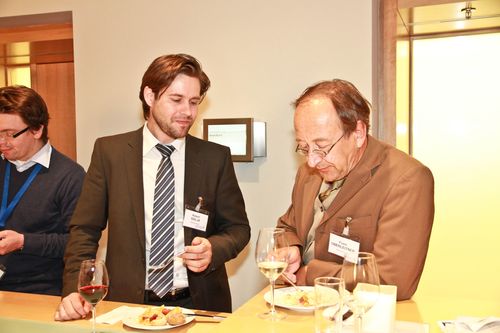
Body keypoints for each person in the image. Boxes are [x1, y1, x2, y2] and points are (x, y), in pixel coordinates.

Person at [55, 53, 250, 321]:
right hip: (127, 306)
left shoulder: (215, 158)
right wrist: (72, 290)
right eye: (176, 100)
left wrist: (213, 249)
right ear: (149, 96)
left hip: (199, 304)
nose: (188, 112)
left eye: (194, 102)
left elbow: (238, 229)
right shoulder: (110, 152)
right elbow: (84, 230)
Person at [278, 79, 434, 301]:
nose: (312, 161)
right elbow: (287, 226)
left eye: (322, 147)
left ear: (358, 133)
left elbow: (393, 279)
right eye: (304, 147)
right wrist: (291, 248)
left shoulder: (406, 179)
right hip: (303, 310)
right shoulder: (308, 173)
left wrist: (311, 273)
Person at [0, 85, 85, 295]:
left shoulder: (70, 175)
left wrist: (23, 242)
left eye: (10, 134)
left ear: (37, 129)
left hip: (40, 291)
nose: (2, 142)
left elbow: (76, 243)